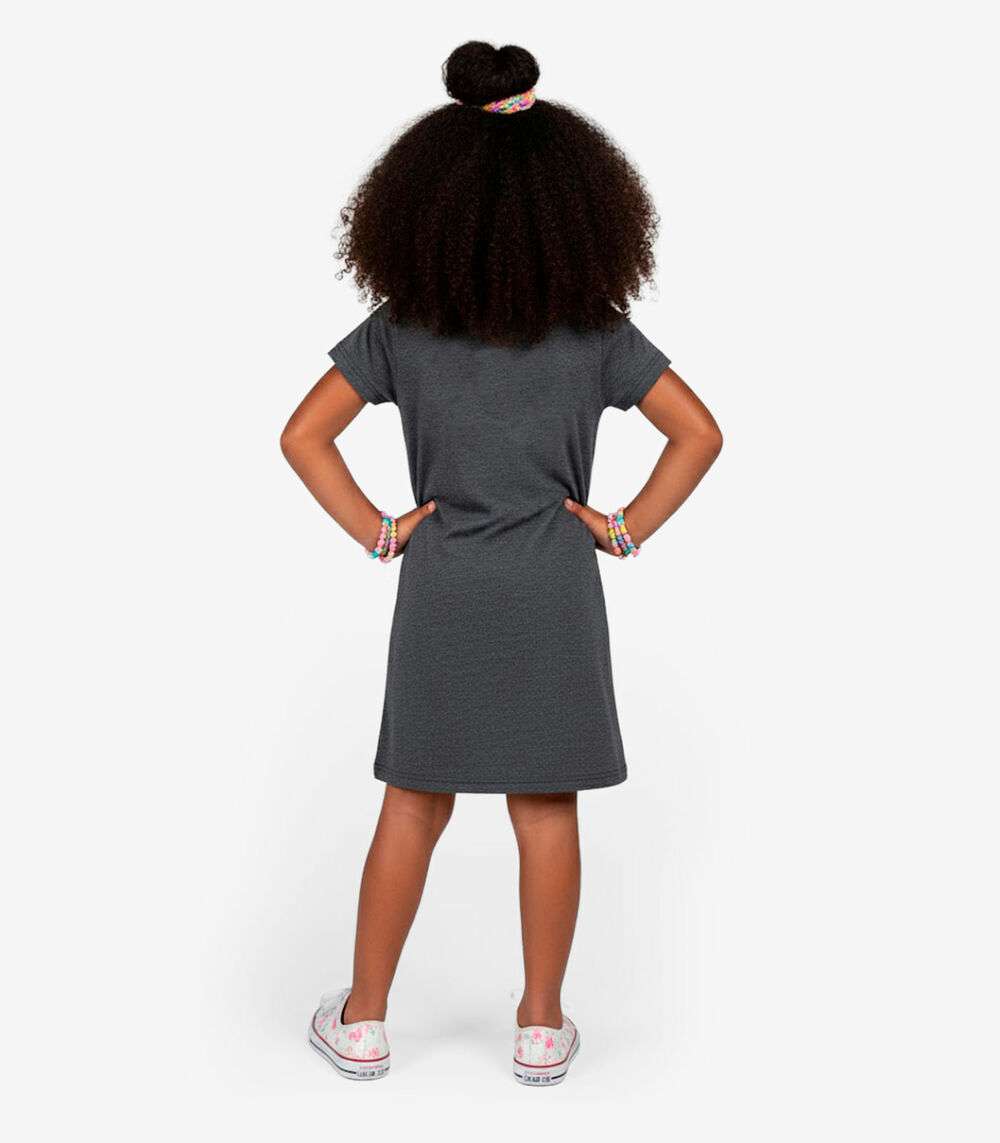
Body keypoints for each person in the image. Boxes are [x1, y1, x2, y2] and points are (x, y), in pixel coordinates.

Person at [281, 40, 723, 1086]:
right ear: (578, 206)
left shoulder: (402, 330)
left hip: (443, 584)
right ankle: (539, 1027)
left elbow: (302, 435)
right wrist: (620, 527)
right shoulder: (596, 333)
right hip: (554, 587)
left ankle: (363, 1021)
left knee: (413, 799)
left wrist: (382, 529)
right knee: (546, 804)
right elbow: (699, 433)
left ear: (423, 205)